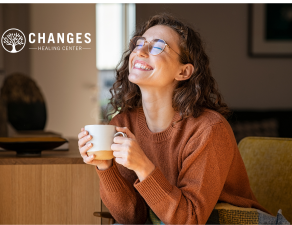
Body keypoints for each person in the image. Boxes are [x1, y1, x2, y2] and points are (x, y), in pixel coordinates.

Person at [78, 13, 272, 224]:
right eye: (138, 43)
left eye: (158, 46)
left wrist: (143, 166)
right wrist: (105, 167)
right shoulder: (123, 125)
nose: (140, 51)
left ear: (183, 71)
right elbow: (132, 219)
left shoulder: (208, 129)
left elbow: (191, 219)